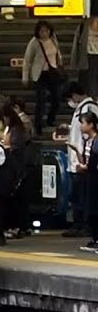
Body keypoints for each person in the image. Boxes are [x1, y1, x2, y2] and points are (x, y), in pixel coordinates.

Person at [61, 82, 98, 237]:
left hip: (83, 161)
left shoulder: (89, 108)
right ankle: (79, 224)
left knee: (83, 196)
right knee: (78, 195)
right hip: (77, 159)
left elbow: (85, 136)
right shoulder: (82, 108)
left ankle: (83, 225)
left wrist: (82, 160)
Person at [0, 101, 31, 244]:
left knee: (15, 201)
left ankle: (17, 227)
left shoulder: (17, 129)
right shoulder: (11, 128)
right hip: (11, 167)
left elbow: (15, 147)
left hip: (15, 167)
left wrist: (6, 146)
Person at [23, 20, 65, 133]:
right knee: (40, 100)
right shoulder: (34, 42)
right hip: (40, 73)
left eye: (47, 31)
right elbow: (27, 60)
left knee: (56, 98)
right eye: (42, 31)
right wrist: (25, 76)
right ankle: (38, 125)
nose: (44, 33)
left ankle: (51, 119)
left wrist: (59, 64)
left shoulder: (53, 39)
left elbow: (57, 53)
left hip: (53, 71)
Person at [79, 112, 98, 252]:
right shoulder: (87, 140)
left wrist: (86, 167)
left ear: (91, 125)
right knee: (90, 208)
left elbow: (94, 161)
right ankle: (94, 238)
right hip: (88, 177)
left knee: (94, 208)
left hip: (95, 177)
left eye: (83, 123)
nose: (81, 125)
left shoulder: (96, 141)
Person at [70, 17, 98, 96]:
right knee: (89, 87)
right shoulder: (83, 26)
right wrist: (74, 62)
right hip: (87, 59)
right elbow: (76, 45)